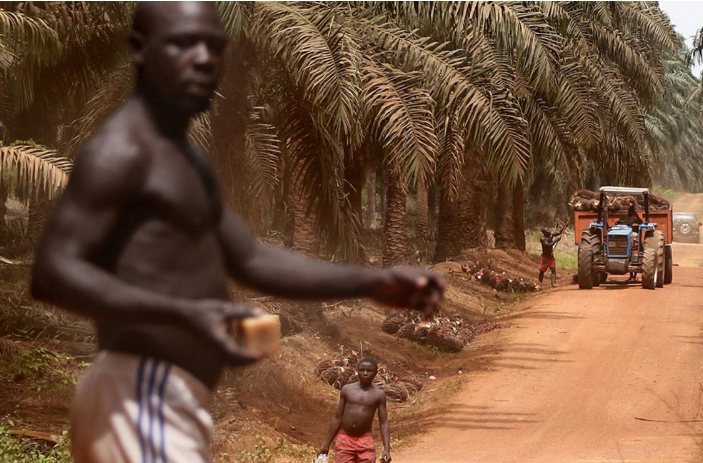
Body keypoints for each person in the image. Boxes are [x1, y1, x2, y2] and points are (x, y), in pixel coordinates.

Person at [29, 3, 444, 462]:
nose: (205, 59)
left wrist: (371, 282)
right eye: (184, 43)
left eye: (214, 46)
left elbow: (251, 257)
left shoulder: (183, 161)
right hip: (140, 393)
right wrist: (187, 316)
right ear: (139, 50)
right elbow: (55, 271)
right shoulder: (124, 151)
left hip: (174, 398)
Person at [318, 358, 390, 463]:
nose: (365, 373)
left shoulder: (379, 394)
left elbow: (383, 422)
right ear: (357, 371)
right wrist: (326, 443)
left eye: (369, 371)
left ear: (375, 373)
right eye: (362, 370)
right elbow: (337, 417)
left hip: (365, 440)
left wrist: (387, 449)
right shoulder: (347, 390)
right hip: (345, 439)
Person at [539, 220, 568, 286]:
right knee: (542, 270)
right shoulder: (543, 239)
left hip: (550, 256)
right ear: (544, 233)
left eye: (549, 229)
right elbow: (548, 245)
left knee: (553, 269)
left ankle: (553, 283)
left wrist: (564, 227)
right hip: (545, 257)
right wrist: (556, 240)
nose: (549, 230)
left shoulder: (551, 235)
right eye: (547, 230)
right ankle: (539, 282)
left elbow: (558, 233)